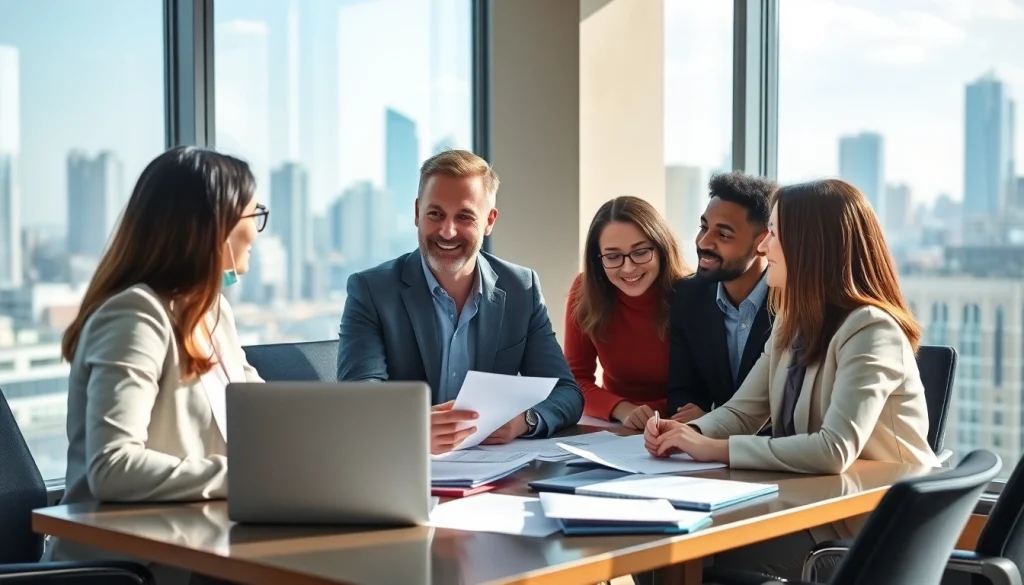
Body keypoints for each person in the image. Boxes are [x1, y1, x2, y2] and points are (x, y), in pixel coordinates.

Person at [644, 178, 938, 580]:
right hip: (810, 510)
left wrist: (713, 449)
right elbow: (742, 412)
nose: (763, 247)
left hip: (868, 531)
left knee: (689, 557)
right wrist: (682, 433)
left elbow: (834, 450)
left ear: (810, 247)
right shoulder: (791, 322)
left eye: (775, 236)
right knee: (659, 547)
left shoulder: (871, 330)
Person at [48, 146, 267, 584]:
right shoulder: (135, 315)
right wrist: (248, 477)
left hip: (199, 546)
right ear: (216, 227)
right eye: (253, 215)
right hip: (125, 568)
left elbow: (265, 414)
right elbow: (113, 467)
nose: (258, 233)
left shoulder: (212, 312)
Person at [337, 149, 583, 454]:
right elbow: (358, 397)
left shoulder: (521, 288)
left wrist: (524, 421)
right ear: (417, 213)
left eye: (464, 216)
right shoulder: (372, 290)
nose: (447, 231)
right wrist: (412, 427)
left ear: (490, 220)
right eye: (435, 214)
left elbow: (566, 392)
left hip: (494, 471)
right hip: (406, 465)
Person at [563, 196, 690, 429]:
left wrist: (654, 412)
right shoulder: (585, 290)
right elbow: (573, 382)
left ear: (661, 248)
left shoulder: (691, 293)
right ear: (598, 259)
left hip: (680, 425)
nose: (628, 267)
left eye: (640, 252)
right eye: (613, 257)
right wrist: (622, 409)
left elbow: (707, 388)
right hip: (615, 426)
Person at [668, 172, 776, 424]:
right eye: (703, 227)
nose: (704, 242)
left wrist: (713, 421)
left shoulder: (791, 303)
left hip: (772, 452)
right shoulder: (687, 296)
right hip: (703, 452)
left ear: (762, 242)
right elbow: (682, 391)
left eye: (723, 235)